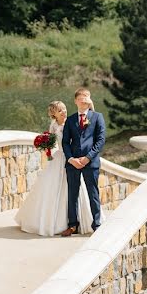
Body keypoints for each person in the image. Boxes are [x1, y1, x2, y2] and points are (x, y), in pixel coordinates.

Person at [15, 101, 94, 236]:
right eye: (60, 110)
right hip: (59, 158)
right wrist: (46, 146)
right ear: (54, 114)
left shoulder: (72, 121)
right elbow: (52, 142)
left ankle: (80, 221)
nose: (64, 112)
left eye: (64, 109)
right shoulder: (54, 125)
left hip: (73, 158)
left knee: (76, 188)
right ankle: (57, 222)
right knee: (53, 187)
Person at [61, 88, 105, 237]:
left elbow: (100, 141)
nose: (83, 100)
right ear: (75, 101)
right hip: (73, 163)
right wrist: (71, 158)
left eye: (86, 97)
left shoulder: (97, 117)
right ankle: (72, 225)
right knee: (72, 194)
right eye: (80, 98)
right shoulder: (70, 120)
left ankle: (97, 224)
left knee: (93, 193)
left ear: (90, 100)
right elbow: (65, 142)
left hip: (90, 162)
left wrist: (88, 157)